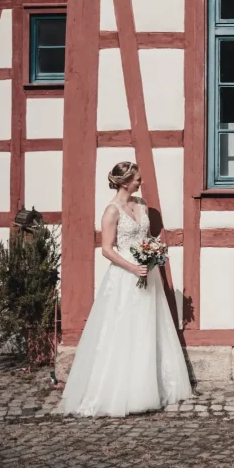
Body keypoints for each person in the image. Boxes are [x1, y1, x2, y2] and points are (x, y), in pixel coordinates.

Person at [60, 161, 192, 416]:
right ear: (124, 182)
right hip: (125, 275)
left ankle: (151, 386)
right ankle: (122, 391)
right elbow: (107, 249)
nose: (140, 183)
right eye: (137, 179)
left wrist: (153, 253)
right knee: (123, 328)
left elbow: (147, 237)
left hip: (147, 272)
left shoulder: (141, 205)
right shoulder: (111, 211)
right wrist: (132, 268)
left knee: (148, 327)